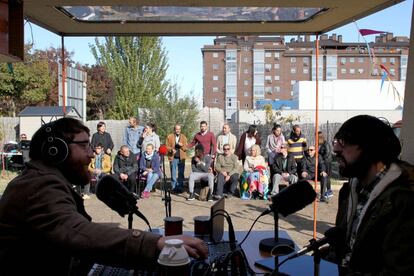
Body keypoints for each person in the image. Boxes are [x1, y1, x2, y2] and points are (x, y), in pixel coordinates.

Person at [0, 118, 207, 275]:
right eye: (84, 146)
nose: (92, 154)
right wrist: (155, 244)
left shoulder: (42, 180)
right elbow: (78, 233)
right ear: (56, 151)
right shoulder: (39, 187)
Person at [326, 115, 414, 275]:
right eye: (337, 141)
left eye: (344, 142)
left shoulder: (403, 202)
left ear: (369, 148)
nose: (336, 150)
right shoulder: (350, 192)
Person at [165, 124, 188, 193]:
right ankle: (173, 187)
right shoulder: (170, 137)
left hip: (181, 158)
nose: (178, 130)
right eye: (176, 129)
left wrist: (182, 145)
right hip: (173, 157)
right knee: (173, 174)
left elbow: (186, 148)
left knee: (181, 173)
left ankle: (180, 187)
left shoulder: (184, 137)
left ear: (180, 130)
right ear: (174, 130)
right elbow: (166, 146)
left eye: (179, 129)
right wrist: (171, 150)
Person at [318, 131, 333, 199]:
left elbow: (327, 154)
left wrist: (321, 159)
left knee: (327, 177)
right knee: (325, 177)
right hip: (324, 162)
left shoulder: (326, 144)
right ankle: (327, 192)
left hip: (327, 163)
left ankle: (329, 191)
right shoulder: (321, 144)